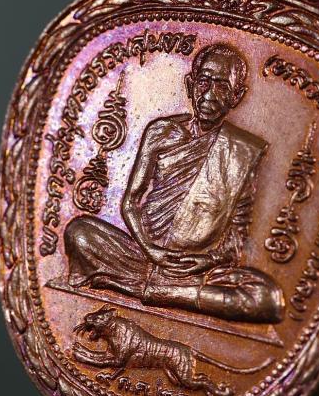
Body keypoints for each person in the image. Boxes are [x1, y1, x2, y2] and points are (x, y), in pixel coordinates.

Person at [60, 43, 284, 323]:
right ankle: (164, 291)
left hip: (194, 269)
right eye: (204, 82)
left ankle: (152, 290)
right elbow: (130, 202)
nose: (209, 95)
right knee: (78, 232)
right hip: (141, 255)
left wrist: (208, 260)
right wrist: (150, 249)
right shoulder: (161, 132)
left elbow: (237, 237)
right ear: (190, 85)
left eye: (222, 87)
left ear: (236, 97)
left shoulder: (243, 150)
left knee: (267, 299)